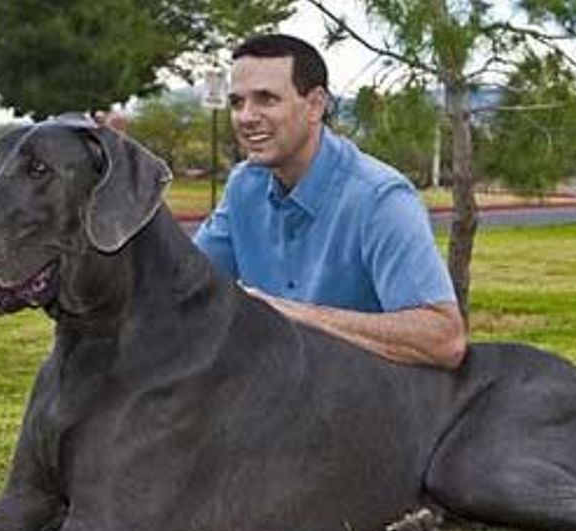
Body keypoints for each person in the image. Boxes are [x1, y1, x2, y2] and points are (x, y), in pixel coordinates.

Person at [194, 34, 467, 370]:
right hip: (271, 401)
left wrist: (290, 315)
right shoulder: (243, 186)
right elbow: (187, 284)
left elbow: (443, 339)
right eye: (237, 103)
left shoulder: (381, 199)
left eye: (266, 99)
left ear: (315, 105)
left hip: (368, 407)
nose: (246, 117)